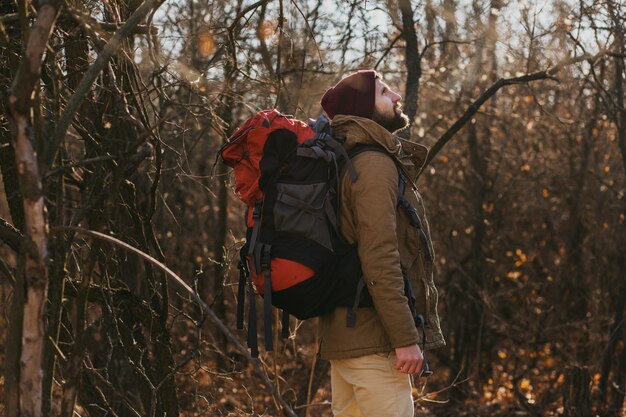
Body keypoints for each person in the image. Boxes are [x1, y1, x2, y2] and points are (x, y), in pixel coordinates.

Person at [319, 70, 446, 417]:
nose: (396, 96)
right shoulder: (373, 163)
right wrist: (405, 339)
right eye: (383, 91)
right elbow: (380, 256)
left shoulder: (349, 160)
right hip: (374, 343)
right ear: (364, 107)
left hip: (347, 341)